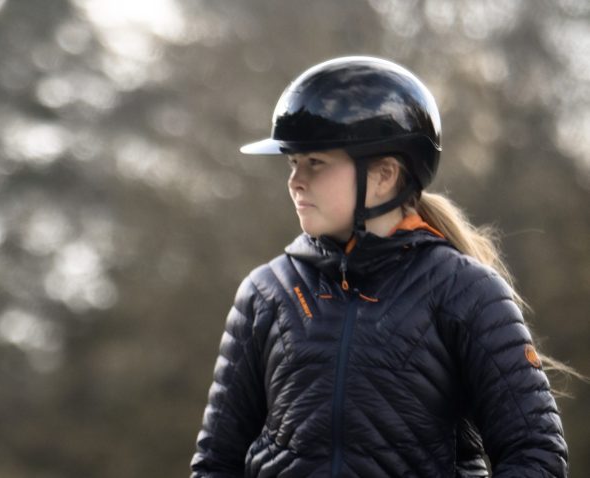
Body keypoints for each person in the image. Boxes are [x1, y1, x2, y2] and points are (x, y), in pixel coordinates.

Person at [190, 56, 568, 477]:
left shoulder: (468, 292)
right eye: (293, 163)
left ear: (385, 175)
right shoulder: (264, 293)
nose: (295, 180)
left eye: (315, 163)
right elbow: (215, 464)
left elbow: (536, 455)